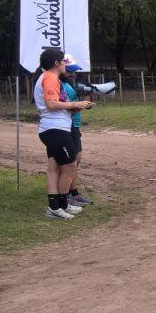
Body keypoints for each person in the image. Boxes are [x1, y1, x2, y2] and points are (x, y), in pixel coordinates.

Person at [34, 48, 94, 219]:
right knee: (70, 168)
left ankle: (57, 207)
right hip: (56, 130)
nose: (65, 64)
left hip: (53, 128)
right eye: (63, 61)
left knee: (54, 169)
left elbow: (55, 105)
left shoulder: (47, 77)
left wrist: (77, 106)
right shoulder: (50, 77)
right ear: (56, 63)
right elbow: (52, 104)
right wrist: (76, 104)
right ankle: (61, 205)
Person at [60, 54, 93, 207]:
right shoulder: (60, 85)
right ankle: (65, 195)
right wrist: (81, 104)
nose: (72, 74)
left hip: (75, 125)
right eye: (69, 71)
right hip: (67, 125)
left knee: (76, 160)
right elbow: (67, 107)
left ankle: (74, 193)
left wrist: (86, 100)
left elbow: (75, 105)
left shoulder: (70, 84)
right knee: (70, 162)